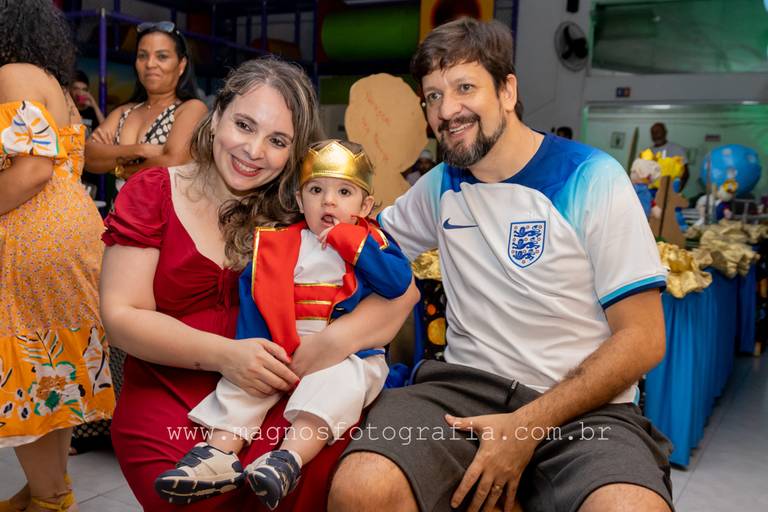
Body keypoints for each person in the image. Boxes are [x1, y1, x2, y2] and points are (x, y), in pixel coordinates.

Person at [330, 18, 672, 512]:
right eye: (433, 96)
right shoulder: (440, 185)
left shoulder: (593, 177)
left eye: (465, 88)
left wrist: (526, 426)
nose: (447, 110)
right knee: (361, 488)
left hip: (584, 410)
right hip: (462, 392)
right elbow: (362, 245)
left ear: (508, 91)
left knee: (630, 508)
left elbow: (644, 337)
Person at [99, 58, 418, 512]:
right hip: (168, 390)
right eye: (244, 125)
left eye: (277, 141)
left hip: (285, 390)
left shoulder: (305, 210)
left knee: (333, 483)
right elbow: (121, 318)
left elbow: (403, 291)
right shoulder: (152, 192)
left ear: (295, 153)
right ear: (217, 115)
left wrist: (331, 343)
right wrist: (226, 355)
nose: (253, 150)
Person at [154, 139, 413, 509]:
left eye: (344, 192)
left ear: (365, 205)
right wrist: (255, 348)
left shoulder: (373, 243)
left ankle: (286, 460)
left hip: (347, 355)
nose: (329, 201)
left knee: (340, 385)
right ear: (299, 199)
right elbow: (254, 296)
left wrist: (349, 240)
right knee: (244, 384)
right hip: (282, 343)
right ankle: (217, 456)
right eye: (316, 190)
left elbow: (397, 283)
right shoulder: (277, 243)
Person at [0, 1, 115, 511]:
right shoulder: (52, 82)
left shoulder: (12, 74)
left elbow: (31, 170)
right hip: (69, 228)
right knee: (56, 367)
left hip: (34, 233)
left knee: (28, 367)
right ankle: (48, 489)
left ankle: (50, 499)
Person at [84, 21, 207, 190]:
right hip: (119, 207)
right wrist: (141, 150)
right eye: (142, 56)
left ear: (181, 65)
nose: (150, 64)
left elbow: (172, 164)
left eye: (162, 56)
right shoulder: (124, 111)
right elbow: (88, 157)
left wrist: (118, 165)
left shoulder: (191, 109)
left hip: (164, 208)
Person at [650, 122, 688, 189]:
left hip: (670, 190)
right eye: (653, 132)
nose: (656, 135)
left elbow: (685, 174)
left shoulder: (677, 150)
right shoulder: (648, 152)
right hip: (650, 191)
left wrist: (676, 190)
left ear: (665, 132)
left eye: (658, 132)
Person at [69, 70, 105, 137]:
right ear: (70, 90)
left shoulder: (92, 111)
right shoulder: (67, 109)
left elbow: (105, 128)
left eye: (84, 89)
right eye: (76, 88)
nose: (80, 93)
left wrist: (94, 104)